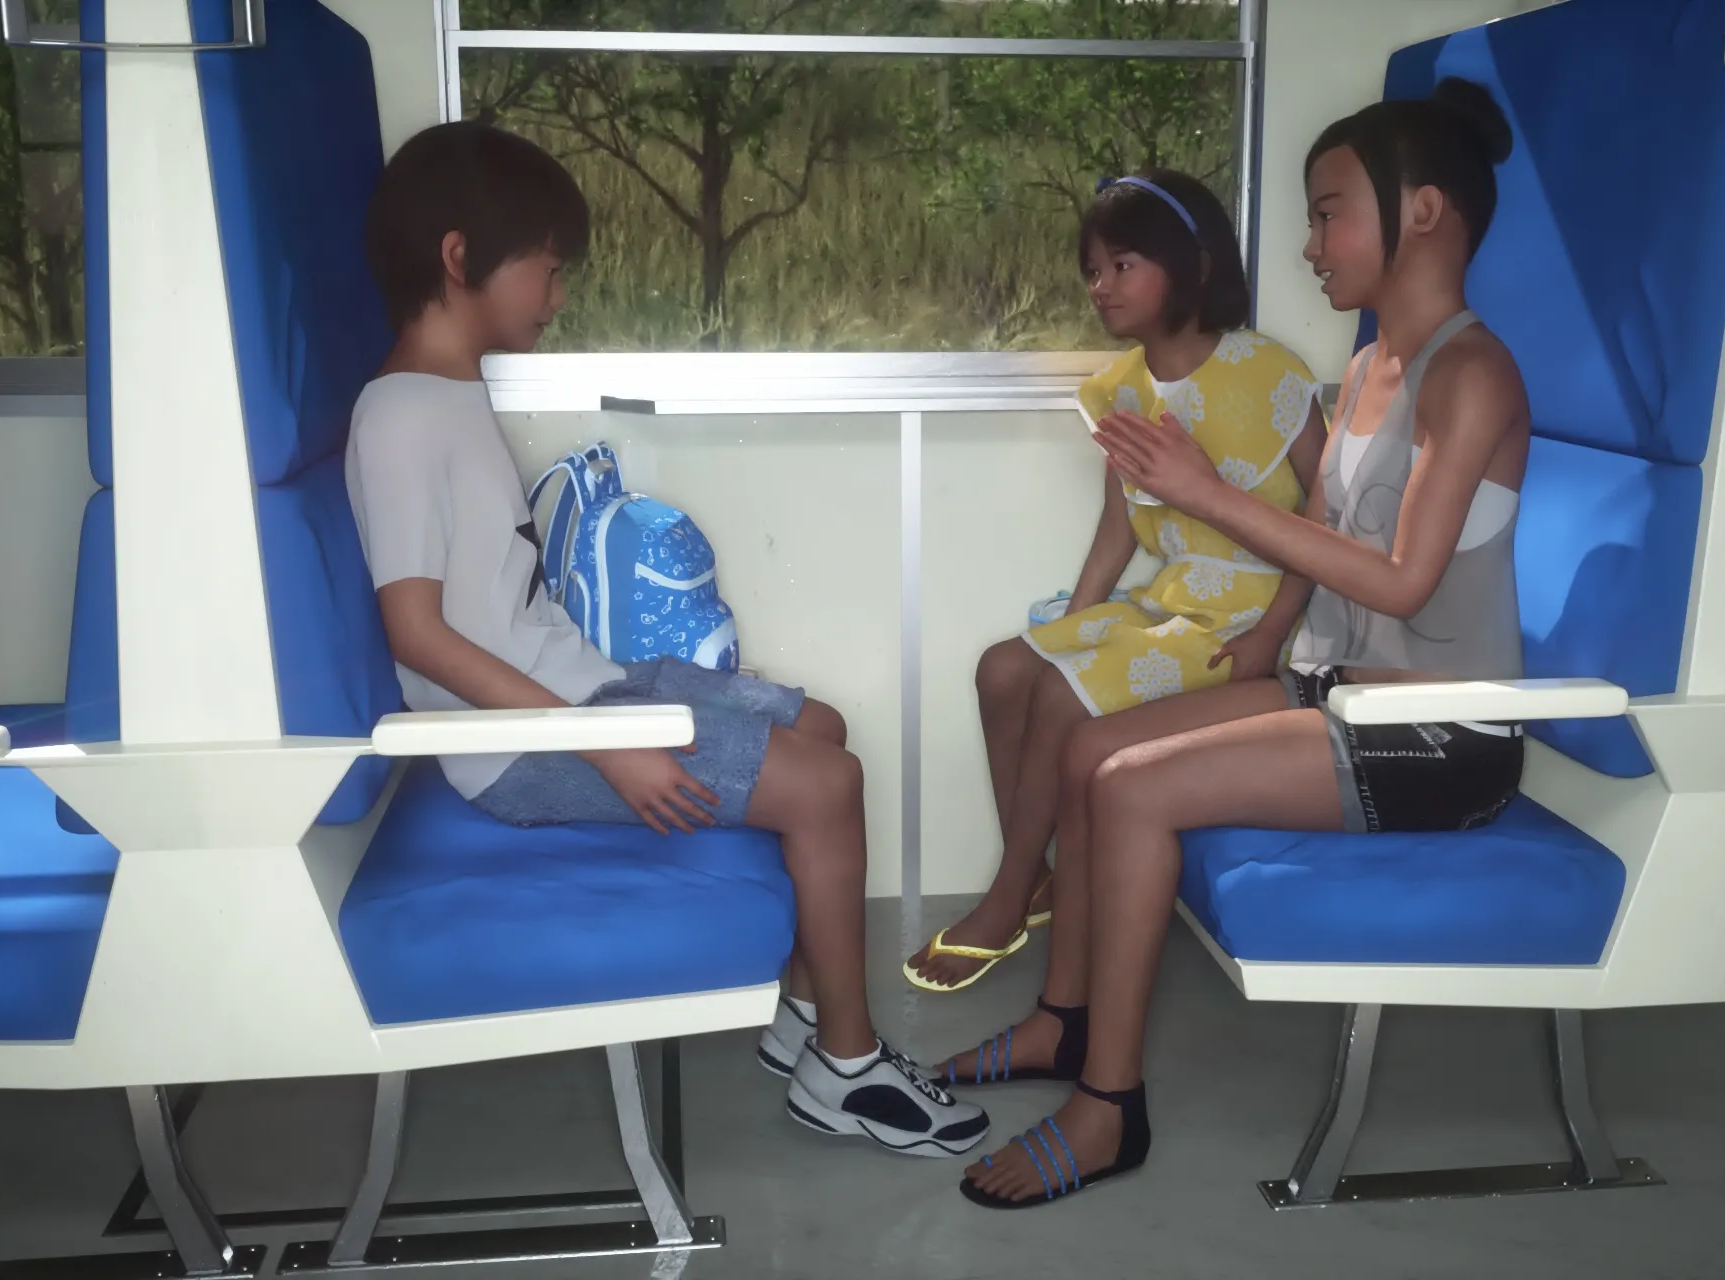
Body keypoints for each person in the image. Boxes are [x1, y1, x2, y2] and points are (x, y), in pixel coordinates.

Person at [346, 121, 987, 1158]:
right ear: (460, 257)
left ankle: (803, 1014)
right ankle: (847, 1067)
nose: (558, 296)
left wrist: (616, 711)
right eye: (547, 268)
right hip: (522, 747)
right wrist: (607, 746)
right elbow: (414, 633)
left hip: (586, 687)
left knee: (822, 727)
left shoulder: (450, 393)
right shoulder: (400, 419)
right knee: (825, 785)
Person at [946, 77, 1530, 1207]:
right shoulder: (1368, 368)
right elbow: (1325, 538)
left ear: (1422, 213)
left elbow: (1403, 582)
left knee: (1131, 791)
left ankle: (1109, 1105)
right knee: (1088, 752)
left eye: (1329, 214)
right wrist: (1263, 621)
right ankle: (1063, 1021)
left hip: (1436, 732)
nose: (1309, 245)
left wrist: (1208, 494)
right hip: (1334, 688)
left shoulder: (1473, 373)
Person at [905, 170, 1325, 993]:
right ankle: (1035, 873)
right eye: (1093, 270)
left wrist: (1273, 632)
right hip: (1169, 601)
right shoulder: (1119, 390)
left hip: (1248, 616)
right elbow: (1117, 526)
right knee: (1004, 668)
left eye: (1124, 265)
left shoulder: (1270, 372)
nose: (1101, 285)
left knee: (1062, 695)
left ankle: (1006, 896)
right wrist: (1073, 627)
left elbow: (1326, 516)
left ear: (1195, 263)